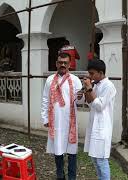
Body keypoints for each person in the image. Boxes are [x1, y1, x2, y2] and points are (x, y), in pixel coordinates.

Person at [41, 51, 82, 180]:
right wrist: (45, 118)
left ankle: (71, 177)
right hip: (56, 122)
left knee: (72, 152)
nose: (62, 65)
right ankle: (60, 176)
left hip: (70, 122)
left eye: (65, 63)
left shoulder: (75, 80)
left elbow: (80, 101)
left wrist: (81, 97)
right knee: (57, 150)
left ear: (70, 64)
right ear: (56, 64)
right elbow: (45, 100)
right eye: (60, 62)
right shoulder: (49, 80)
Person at [82, 59, 116, 180]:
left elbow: (100, 106)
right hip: (93, 125)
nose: (90, 76)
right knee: (94, 159)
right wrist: (86, 90)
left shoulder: (109, 86)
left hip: (102, 128)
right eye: (89, 73)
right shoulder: (96, 84)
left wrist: (90, 88)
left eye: (92, 73)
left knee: (101, 159)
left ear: (100, 73)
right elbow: (90, 103)